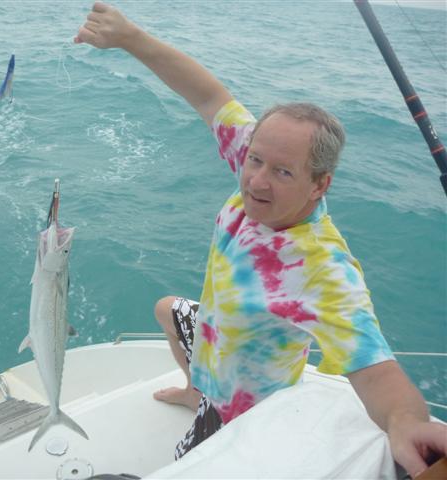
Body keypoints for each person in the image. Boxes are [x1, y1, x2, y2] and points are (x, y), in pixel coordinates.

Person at [74, 2, 447, 478]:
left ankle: (206, 410)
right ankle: (193, 390)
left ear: (320, 184)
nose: (256, 181)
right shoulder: (262, 155)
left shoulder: (322, 269)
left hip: (241, 406)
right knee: (168, 310)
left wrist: (405, 421)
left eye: (283, 172)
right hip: (214, 343)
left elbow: (375, 369)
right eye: (255, 160)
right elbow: (208, 96)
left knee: (186, 465)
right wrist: (130, 37)